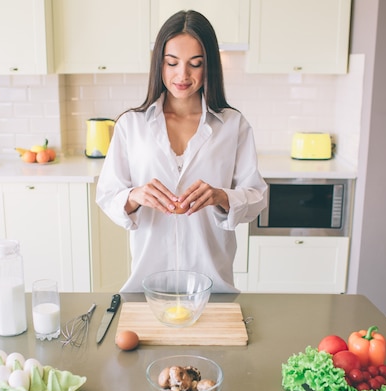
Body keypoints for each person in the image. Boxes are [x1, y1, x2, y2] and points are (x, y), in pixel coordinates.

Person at [96, 10, 267, 293]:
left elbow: (256, 197)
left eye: (195, 64)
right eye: (172, 63)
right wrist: (134, 196)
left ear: (209, 65)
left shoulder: (233, 125)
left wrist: (222, 196)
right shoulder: (131, 125)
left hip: (213, 286)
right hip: (146, 285)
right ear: (159, 64)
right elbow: (107, 196)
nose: (182, 75)